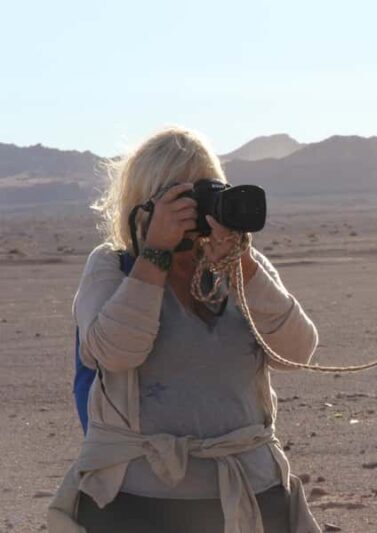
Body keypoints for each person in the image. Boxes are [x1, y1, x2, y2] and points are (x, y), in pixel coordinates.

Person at [48, 127, 321, 533]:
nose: (193, 211)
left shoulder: (240, 269)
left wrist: (243, 267)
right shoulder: (112, 267)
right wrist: (154, 253)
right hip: (139, 504)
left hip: (250, 494)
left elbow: (297, 352)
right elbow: (117, 352)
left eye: (204, 192)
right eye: (179, 197)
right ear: (144, 203)